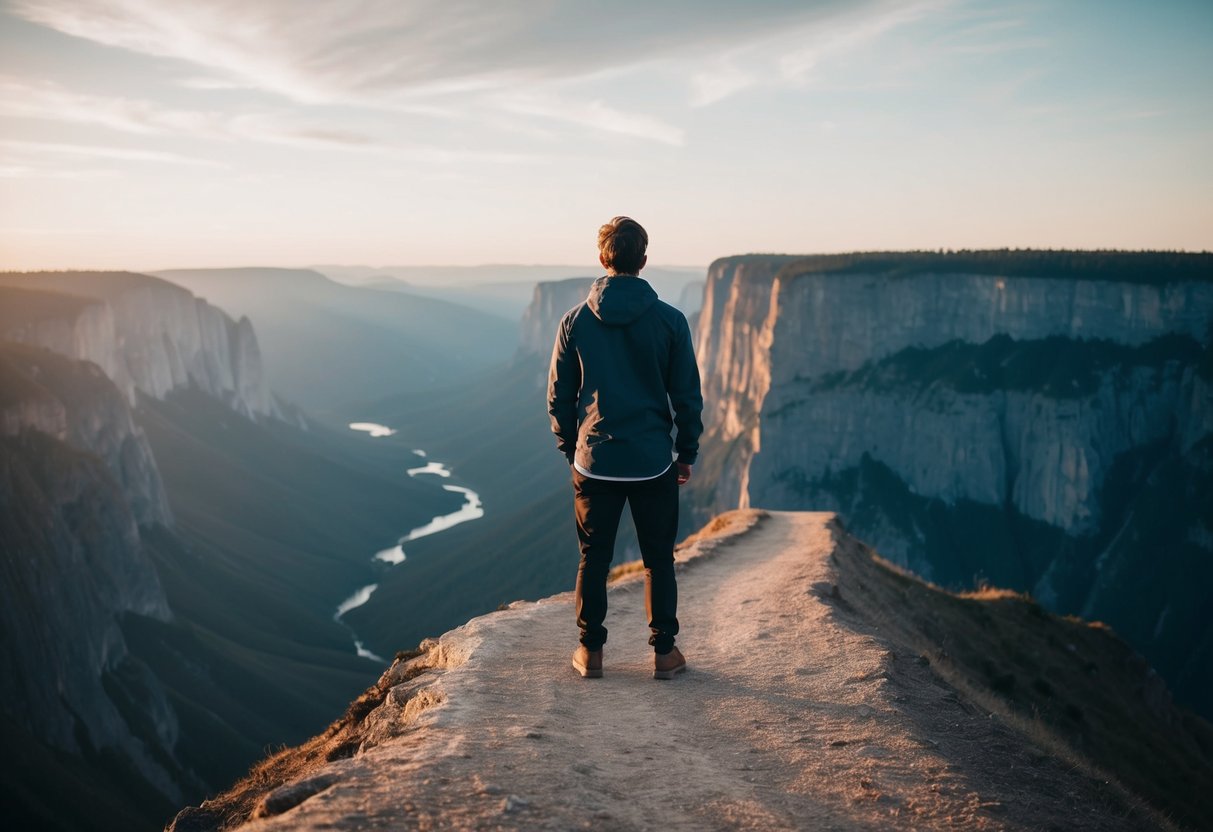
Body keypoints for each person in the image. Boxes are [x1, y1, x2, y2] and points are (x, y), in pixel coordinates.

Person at [547, 216, 704, 680]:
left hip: (593, 461)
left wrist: (570, 447)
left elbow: (559, 396)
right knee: (659, 558)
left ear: (602, 259)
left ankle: (590, 652)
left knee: (593, 556)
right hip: (654, 461)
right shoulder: (671, 321)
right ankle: (664, 653)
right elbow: (687, 396)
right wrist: (687, 452)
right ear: (644, 260)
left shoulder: (574, 321)